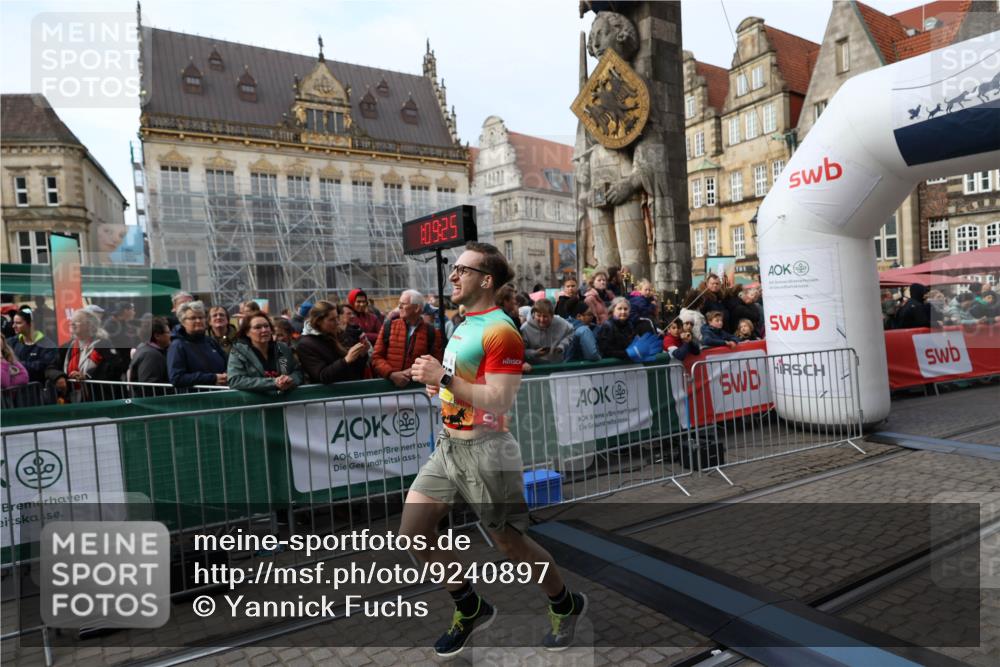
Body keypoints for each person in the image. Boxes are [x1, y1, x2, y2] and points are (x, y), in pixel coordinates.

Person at [406, 241, 587, 657]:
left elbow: (500, 400)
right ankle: (469, 607)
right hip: (448, 447)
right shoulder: (463, 324)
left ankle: (565, 602)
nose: (452, 275)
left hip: (488, 451)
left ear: (485, 280)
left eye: (462, 269)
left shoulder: (502, 330)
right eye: (454, 268)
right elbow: (466, 384)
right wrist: (440, 383)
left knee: (510, 544)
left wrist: (446, 380)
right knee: (414, 532)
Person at [372, 290, 444, 388]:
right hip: (388, 388)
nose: (399, 307)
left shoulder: (432, 332)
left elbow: (436, 362)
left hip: (418, 390)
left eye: (403, 304)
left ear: (417, 308)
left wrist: (411, 372)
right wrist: (392, 374)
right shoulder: (388, 326)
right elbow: (376, 357)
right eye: (399, 304)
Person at [227, 312, 303, 394]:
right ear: (247, 332)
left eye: (266, 326)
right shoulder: (238, 352)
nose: (264, 330)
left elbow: (298, 372)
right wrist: (273, 382)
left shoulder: (283, 348)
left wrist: (290, 380)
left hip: (285, 402)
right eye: (258, 327)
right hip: (255, 404)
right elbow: (235, 380)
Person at [297, 300, 369, 384]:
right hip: (327, 395)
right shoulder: (305, 344)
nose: (337, 322)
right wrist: (345, 360)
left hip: (350, 390)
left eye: (337, 318)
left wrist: (361, 355)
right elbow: (322, 376)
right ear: (318, 321)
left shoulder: (338, 333)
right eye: (331, 319)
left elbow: (355, 370)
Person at [167, 301, 228, 389]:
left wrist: (226, 375)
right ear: (183, 322)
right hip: (196, 399)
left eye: (201, 317)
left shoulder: (210, 341)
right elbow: (176, 378)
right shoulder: (177, 346)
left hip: (220, 395)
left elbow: (227, 363)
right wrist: (212, 378)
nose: (198, 321)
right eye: (193, 318)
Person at [8, 310, 58, 384]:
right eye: (13, 323)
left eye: (18, 323)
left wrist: (17, 364)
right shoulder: (11, 342)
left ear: (31, 324)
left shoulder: (48, 345)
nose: (13, 326)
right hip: (16, 390)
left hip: (38, 391)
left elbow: (44, 366)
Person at [521, 298, 574, 365]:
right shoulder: (525, 328)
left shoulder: (560, 322)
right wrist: (534, 353)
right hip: (535, 369)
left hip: (556, 366)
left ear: (552, 316)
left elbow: (571, 332)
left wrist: (561, 346)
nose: (542, 319)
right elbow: (520, 351)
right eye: (538, 316)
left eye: (545, 316)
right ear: (534, 314)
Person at [128, 317, 171, 385]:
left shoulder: (146, 349)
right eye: (168, 332)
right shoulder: (151, 355)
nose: (170, 335)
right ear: (157, 336)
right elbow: (149, 385)